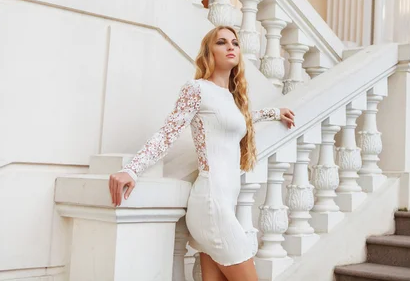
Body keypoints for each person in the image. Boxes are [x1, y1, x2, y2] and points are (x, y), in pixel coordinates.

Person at [108, 26, 295, 281]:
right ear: (210, 52)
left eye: (235, 43)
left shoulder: (231, 98)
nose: (231, 47)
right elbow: (167, 133)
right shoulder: (196, 89)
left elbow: (241, 120)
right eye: (222, 42)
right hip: (211, 203)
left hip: (224, 203)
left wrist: (273, 113)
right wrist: (131, 169)